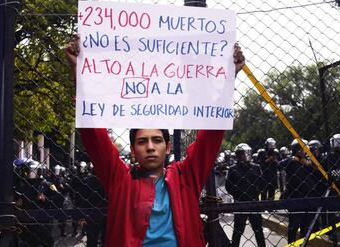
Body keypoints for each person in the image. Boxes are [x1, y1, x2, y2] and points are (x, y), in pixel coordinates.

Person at [65, 34, 245, 247]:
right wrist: (79, 73)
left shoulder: (185, 177)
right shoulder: (120, 180)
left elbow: (211, 137)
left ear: (167, 146)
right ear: (132, 150)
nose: (150, 147)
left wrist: (228, 78)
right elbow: (94, 135)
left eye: (157, 140)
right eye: (142, 142)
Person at [225, 143, 266, 247]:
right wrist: (238, 195)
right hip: (240, 204)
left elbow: (262, 183)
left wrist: (255, 192)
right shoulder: (233, 169)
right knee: (238, 231)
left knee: (258, 230)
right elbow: (228, 187)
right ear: (238, 155)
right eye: (244, 153)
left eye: (248, 152)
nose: (247, 155)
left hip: (254, 202)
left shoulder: (256, 167)